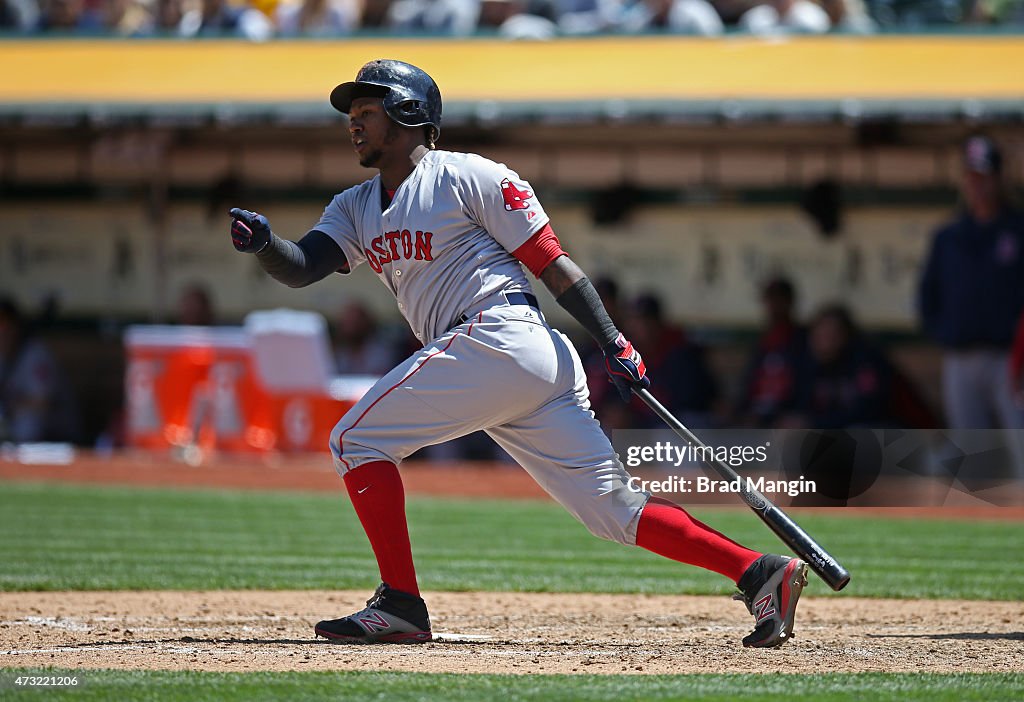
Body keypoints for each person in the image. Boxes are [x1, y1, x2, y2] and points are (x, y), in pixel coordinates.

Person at [227, 59, 807, 649]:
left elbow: (554, 266)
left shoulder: (468, 176)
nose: (353, 124)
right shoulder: (354, 207)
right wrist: (266, 245)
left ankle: (401, 603)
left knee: (355, 440)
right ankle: (759, 572)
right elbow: (301, 268)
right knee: (613, 509)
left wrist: (614, 340)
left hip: (500, 334)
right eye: (351, 115)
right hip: (509, 358)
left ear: (408, 112)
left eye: (366, 112)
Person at [918, 135, 1024, 435]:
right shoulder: (949, 235)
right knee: (970, 455)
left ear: (999, 179)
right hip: (961, 357)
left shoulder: (1018, 230)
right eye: (971, 177)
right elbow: (928, 294)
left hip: (1011, 359)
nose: (977, 185)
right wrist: (944, 332)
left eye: (984, 177)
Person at [0, 297, 80, 444]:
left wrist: (11, 408)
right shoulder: (3, 358)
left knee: (28, 420)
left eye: (5, 326)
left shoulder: (35, 354)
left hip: (56, 433)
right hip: (17, 431)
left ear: (15, 327)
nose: (2, 333)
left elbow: (43, 402)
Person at [732, 276, 806, 428]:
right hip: (756, 415)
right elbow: (749, 386)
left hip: (785, 416)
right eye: (770, 300)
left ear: (789, 302)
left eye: (779, 300)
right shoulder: (763, 343)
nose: (774, 306)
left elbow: (803, 388)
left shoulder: (802, 340)